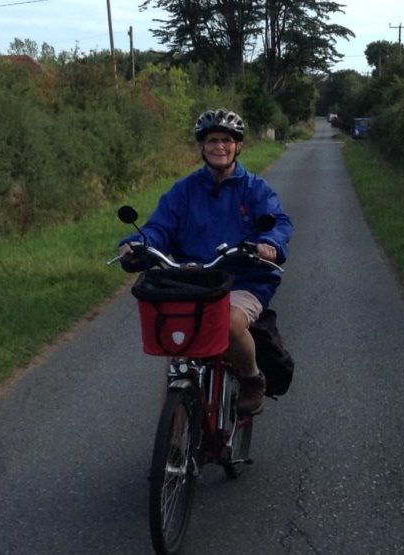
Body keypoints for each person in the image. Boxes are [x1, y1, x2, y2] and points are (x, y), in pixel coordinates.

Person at [119, 108, 293, 414]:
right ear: (202, 146)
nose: (219, 147)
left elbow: (278, 222)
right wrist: (137, 245)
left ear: (238, 146)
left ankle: (252, 379)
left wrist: (269, 244)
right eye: (212, 140)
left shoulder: (255, 189)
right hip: (194, 280)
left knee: (227, 323)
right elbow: (160, 227)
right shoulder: (183, 191)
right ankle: (176, 425)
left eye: (227, 140)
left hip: (244, 279)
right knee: (176, 339)